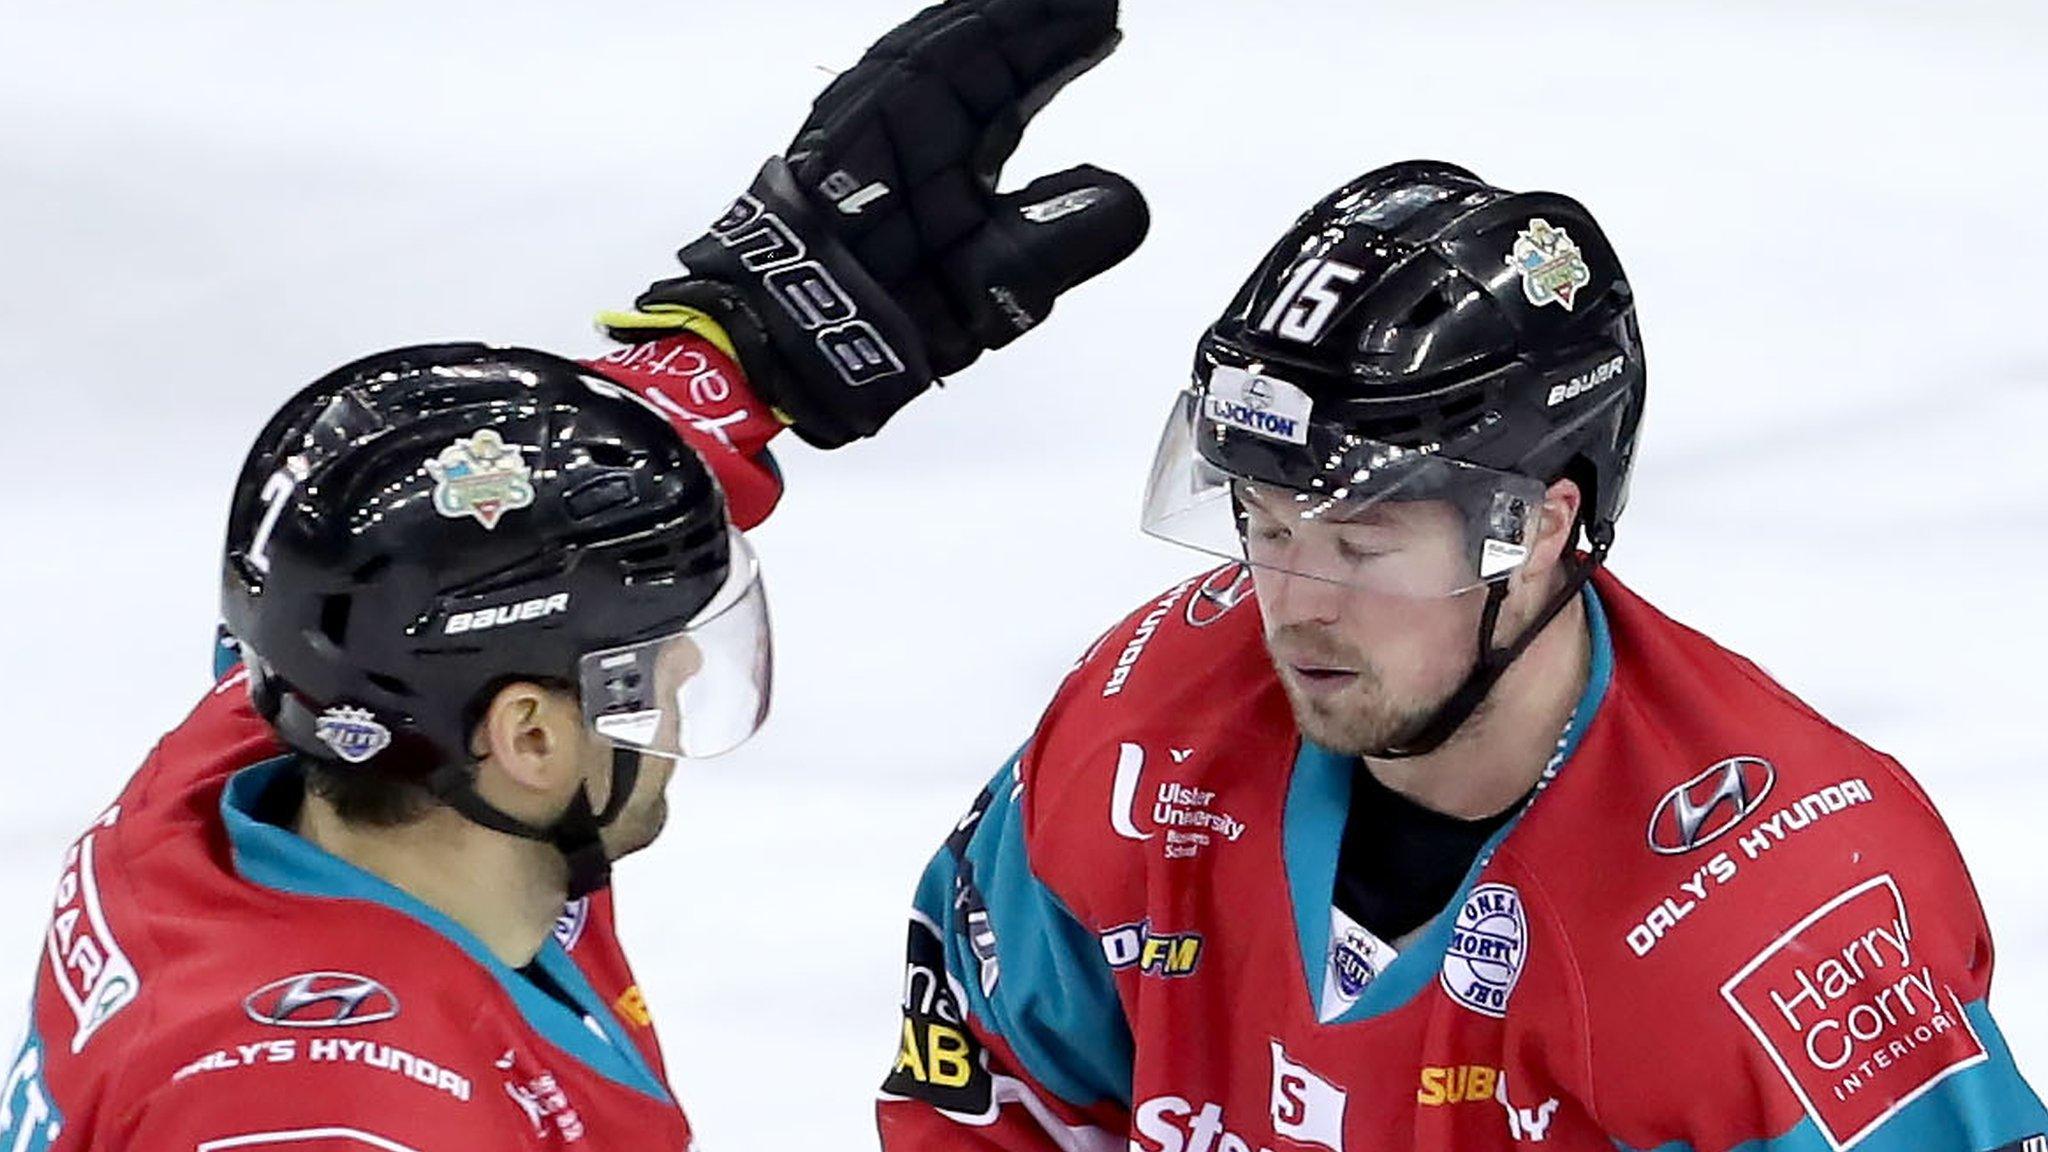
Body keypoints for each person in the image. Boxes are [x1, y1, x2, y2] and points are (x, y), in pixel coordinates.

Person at [0, 0, 1148, 1146]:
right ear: (531, 738)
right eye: (644, 667)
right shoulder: (342, 1118)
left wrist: (743, 345)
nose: (686, 667)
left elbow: (411, 548)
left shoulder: (294, 750)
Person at [873, 162, 2048, 1150]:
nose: (1287, 604)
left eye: (1360, 544)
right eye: (1264, 524)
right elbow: (981, 1092)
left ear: (1538, 527)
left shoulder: (1782, 921)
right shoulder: (1147, 725)